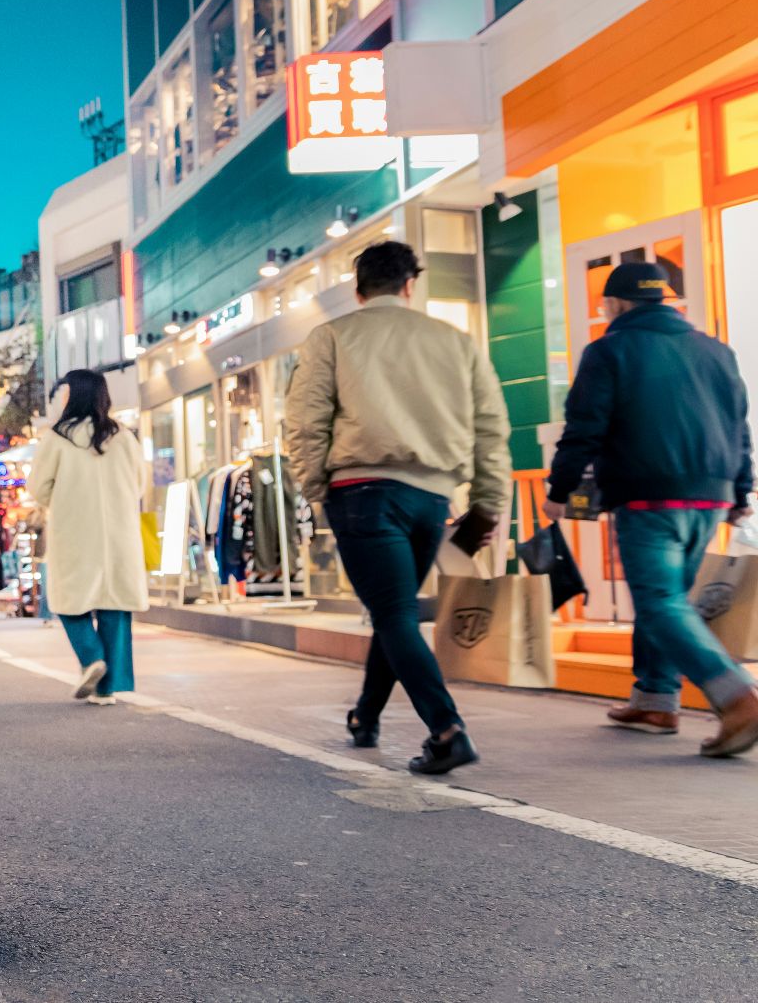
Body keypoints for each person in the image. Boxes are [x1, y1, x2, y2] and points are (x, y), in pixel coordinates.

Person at [286, 240, 511, 775]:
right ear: (411, 285)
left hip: (361, 492)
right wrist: (487, 504)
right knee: (396, 610)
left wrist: (318, 488)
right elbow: (491, 428)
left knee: (393, 612)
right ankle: (365, 717)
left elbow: (305, 421)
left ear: (358, 289)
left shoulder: (333, 337)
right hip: (432, 498)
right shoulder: (456, 342)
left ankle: (447, 729)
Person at [544, 262, 758, 758]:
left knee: (659, 601)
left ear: (616, 305)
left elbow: (584, 427)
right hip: (711, 495)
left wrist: (560, 489)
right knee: (668, 600)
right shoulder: (716, 351)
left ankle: (736, 695)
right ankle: (656, 700)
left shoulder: (610, 350)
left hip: (649, 496)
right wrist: (741, 494)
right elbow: (739, 430)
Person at [30, 370, 150, 704]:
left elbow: (38, 488)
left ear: (72, 395)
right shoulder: (123, 436)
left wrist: (60, 495)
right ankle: (107, 687)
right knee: (114, 603)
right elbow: (139, 484)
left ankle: (90, 656)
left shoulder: (57, 438)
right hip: (119, 534)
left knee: (68, 600)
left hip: (74, 531)